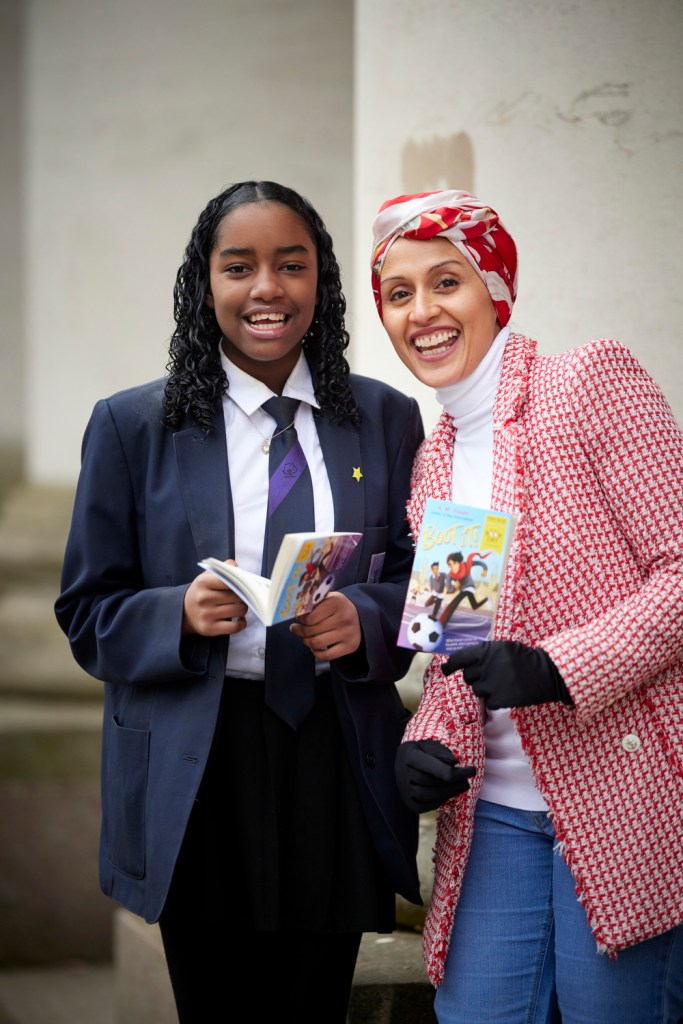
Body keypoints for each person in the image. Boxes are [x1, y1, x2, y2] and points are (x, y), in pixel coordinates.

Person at [55, 180, 425, 1024]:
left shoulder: (385, 418)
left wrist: (366, 618)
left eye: (291, 265)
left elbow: (423, 581)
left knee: (313, 1002)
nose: (267, 288)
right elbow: (86, 613)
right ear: (204, 284)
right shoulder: (132, 426)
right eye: (239, 267)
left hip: (334, 753)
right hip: (199, 759)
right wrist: (177, 615)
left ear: (321, 282)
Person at [370, 188, 683, 1024]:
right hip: (494, 814)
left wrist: (557, 667)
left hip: (624, 797)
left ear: (495, 288)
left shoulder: (586, 382)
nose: (421, 312)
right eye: (397, 294)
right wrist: (425, 740)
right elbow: (454, 646)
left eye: (446, 282)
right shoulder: (433, 464)